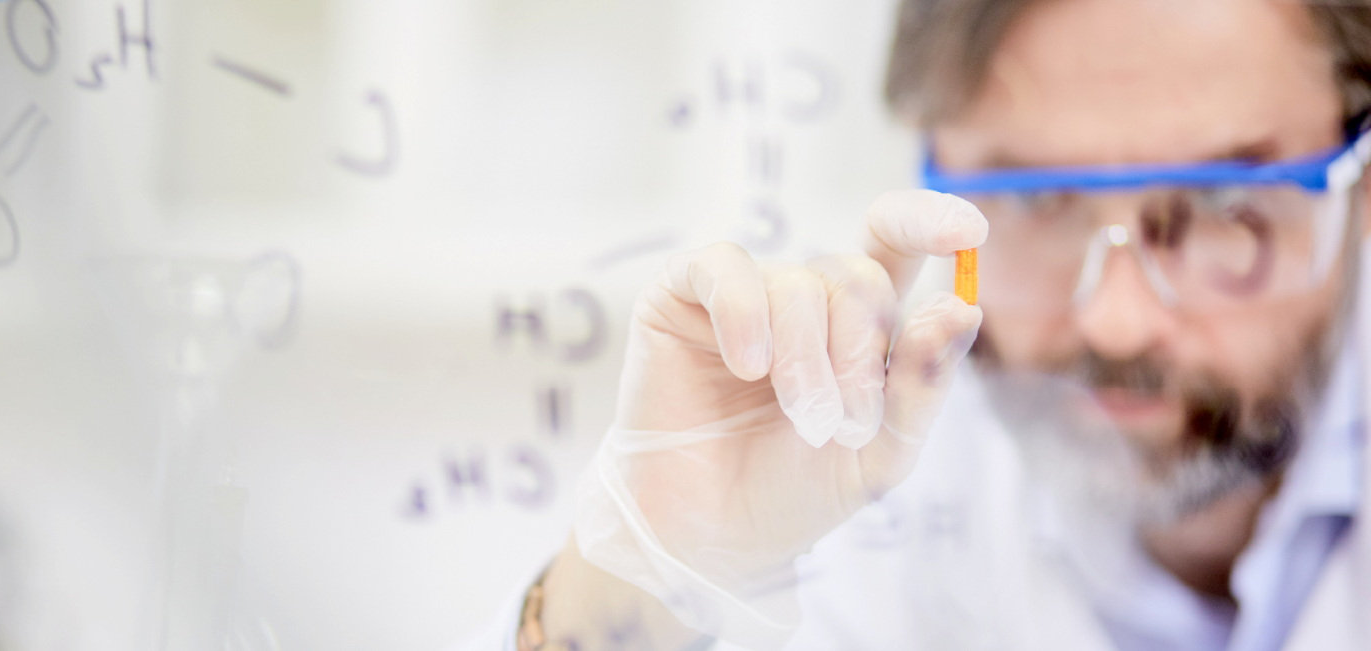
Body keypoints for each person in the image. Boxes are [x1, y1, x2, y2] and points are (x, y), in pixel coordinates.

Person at [470, 0, 1371, 649]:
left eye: (1218, 202)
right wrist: (650, 576)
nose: (1117, 323)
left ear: (1361, 181)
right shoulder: (856, 481)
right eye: (1039, 202)